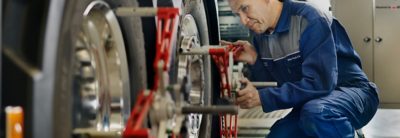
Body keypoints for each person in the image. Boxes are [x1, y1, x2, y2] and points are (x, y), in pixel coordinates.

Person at [224, 0, 379, 137]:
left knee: (318, 114)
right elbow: (274, 85)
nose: (243, 21)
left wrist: (262, 97)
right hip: (311, 104)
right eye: (237, 14)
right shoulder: (260, 35)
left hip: (353, 95)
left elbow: (320, 84)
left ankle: (344, 129)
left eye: (245, 8)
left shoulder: (310, 19)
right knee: (280, 135)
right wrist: (255, 59)